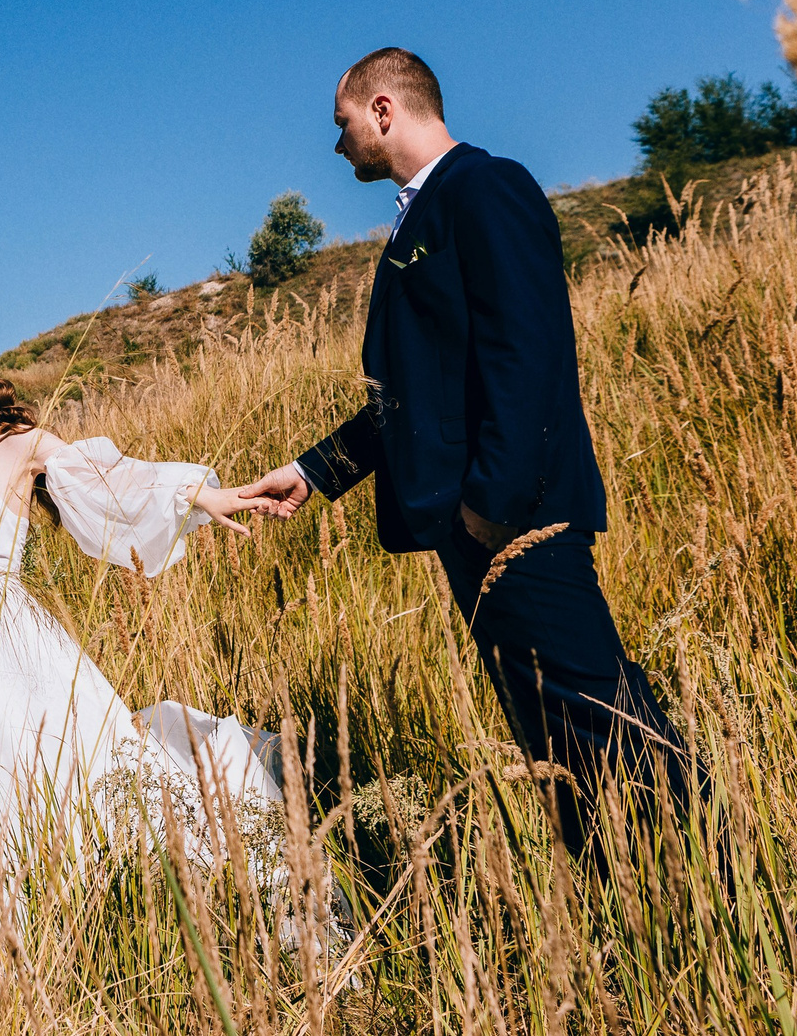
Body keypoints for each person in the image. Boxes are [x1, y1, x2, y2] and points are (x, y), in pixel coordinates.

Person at [234, 47, 697, 863]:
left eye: (342, 125)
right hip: (479, 530)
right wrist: (315, 472)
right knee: (555, 745)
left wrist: (491, 507)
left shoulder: (484, 188)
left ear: (383, 109)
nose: (338, 147)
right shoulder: (422, 215)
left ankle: (709, 890)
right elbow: (421, 396)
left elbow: (530, 352)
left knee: (603, 720)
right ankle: (626, 913)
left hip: (520, 523)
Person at [0, 333, 283, 1034]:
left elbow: (115, 483)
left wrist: (206, 494)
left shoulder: (25, 448)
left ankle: (103, 937)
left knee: (48, 791)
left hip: (6, 658)